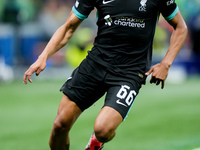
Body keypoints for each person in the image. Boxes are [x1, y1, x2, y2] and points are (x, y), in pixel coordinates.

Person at [23, 0, 188, 149]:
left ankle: (97, 141)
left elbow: (181, 27)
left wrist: (166, 63)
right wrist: (43, 57)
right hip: (95, 64)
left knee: (103, 130)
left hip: (129, 72)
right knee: (60, 124)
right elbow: (68, 27)